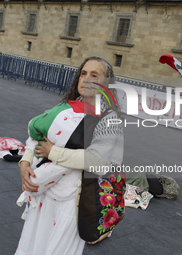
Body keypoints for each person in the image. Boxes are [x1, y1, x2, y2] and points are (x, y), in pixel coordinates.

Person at [15, 57, 124, 255]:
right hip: (44, 193)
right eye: (83, 73)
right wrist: (25, 161)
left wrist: (53, 152)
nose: (86, 79)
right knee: (31, 246)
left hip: (73, 201)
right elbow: (36, 135)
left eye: (94, 75)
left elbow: (97, 161)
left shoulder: (110, 118)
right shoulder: (65, 108)